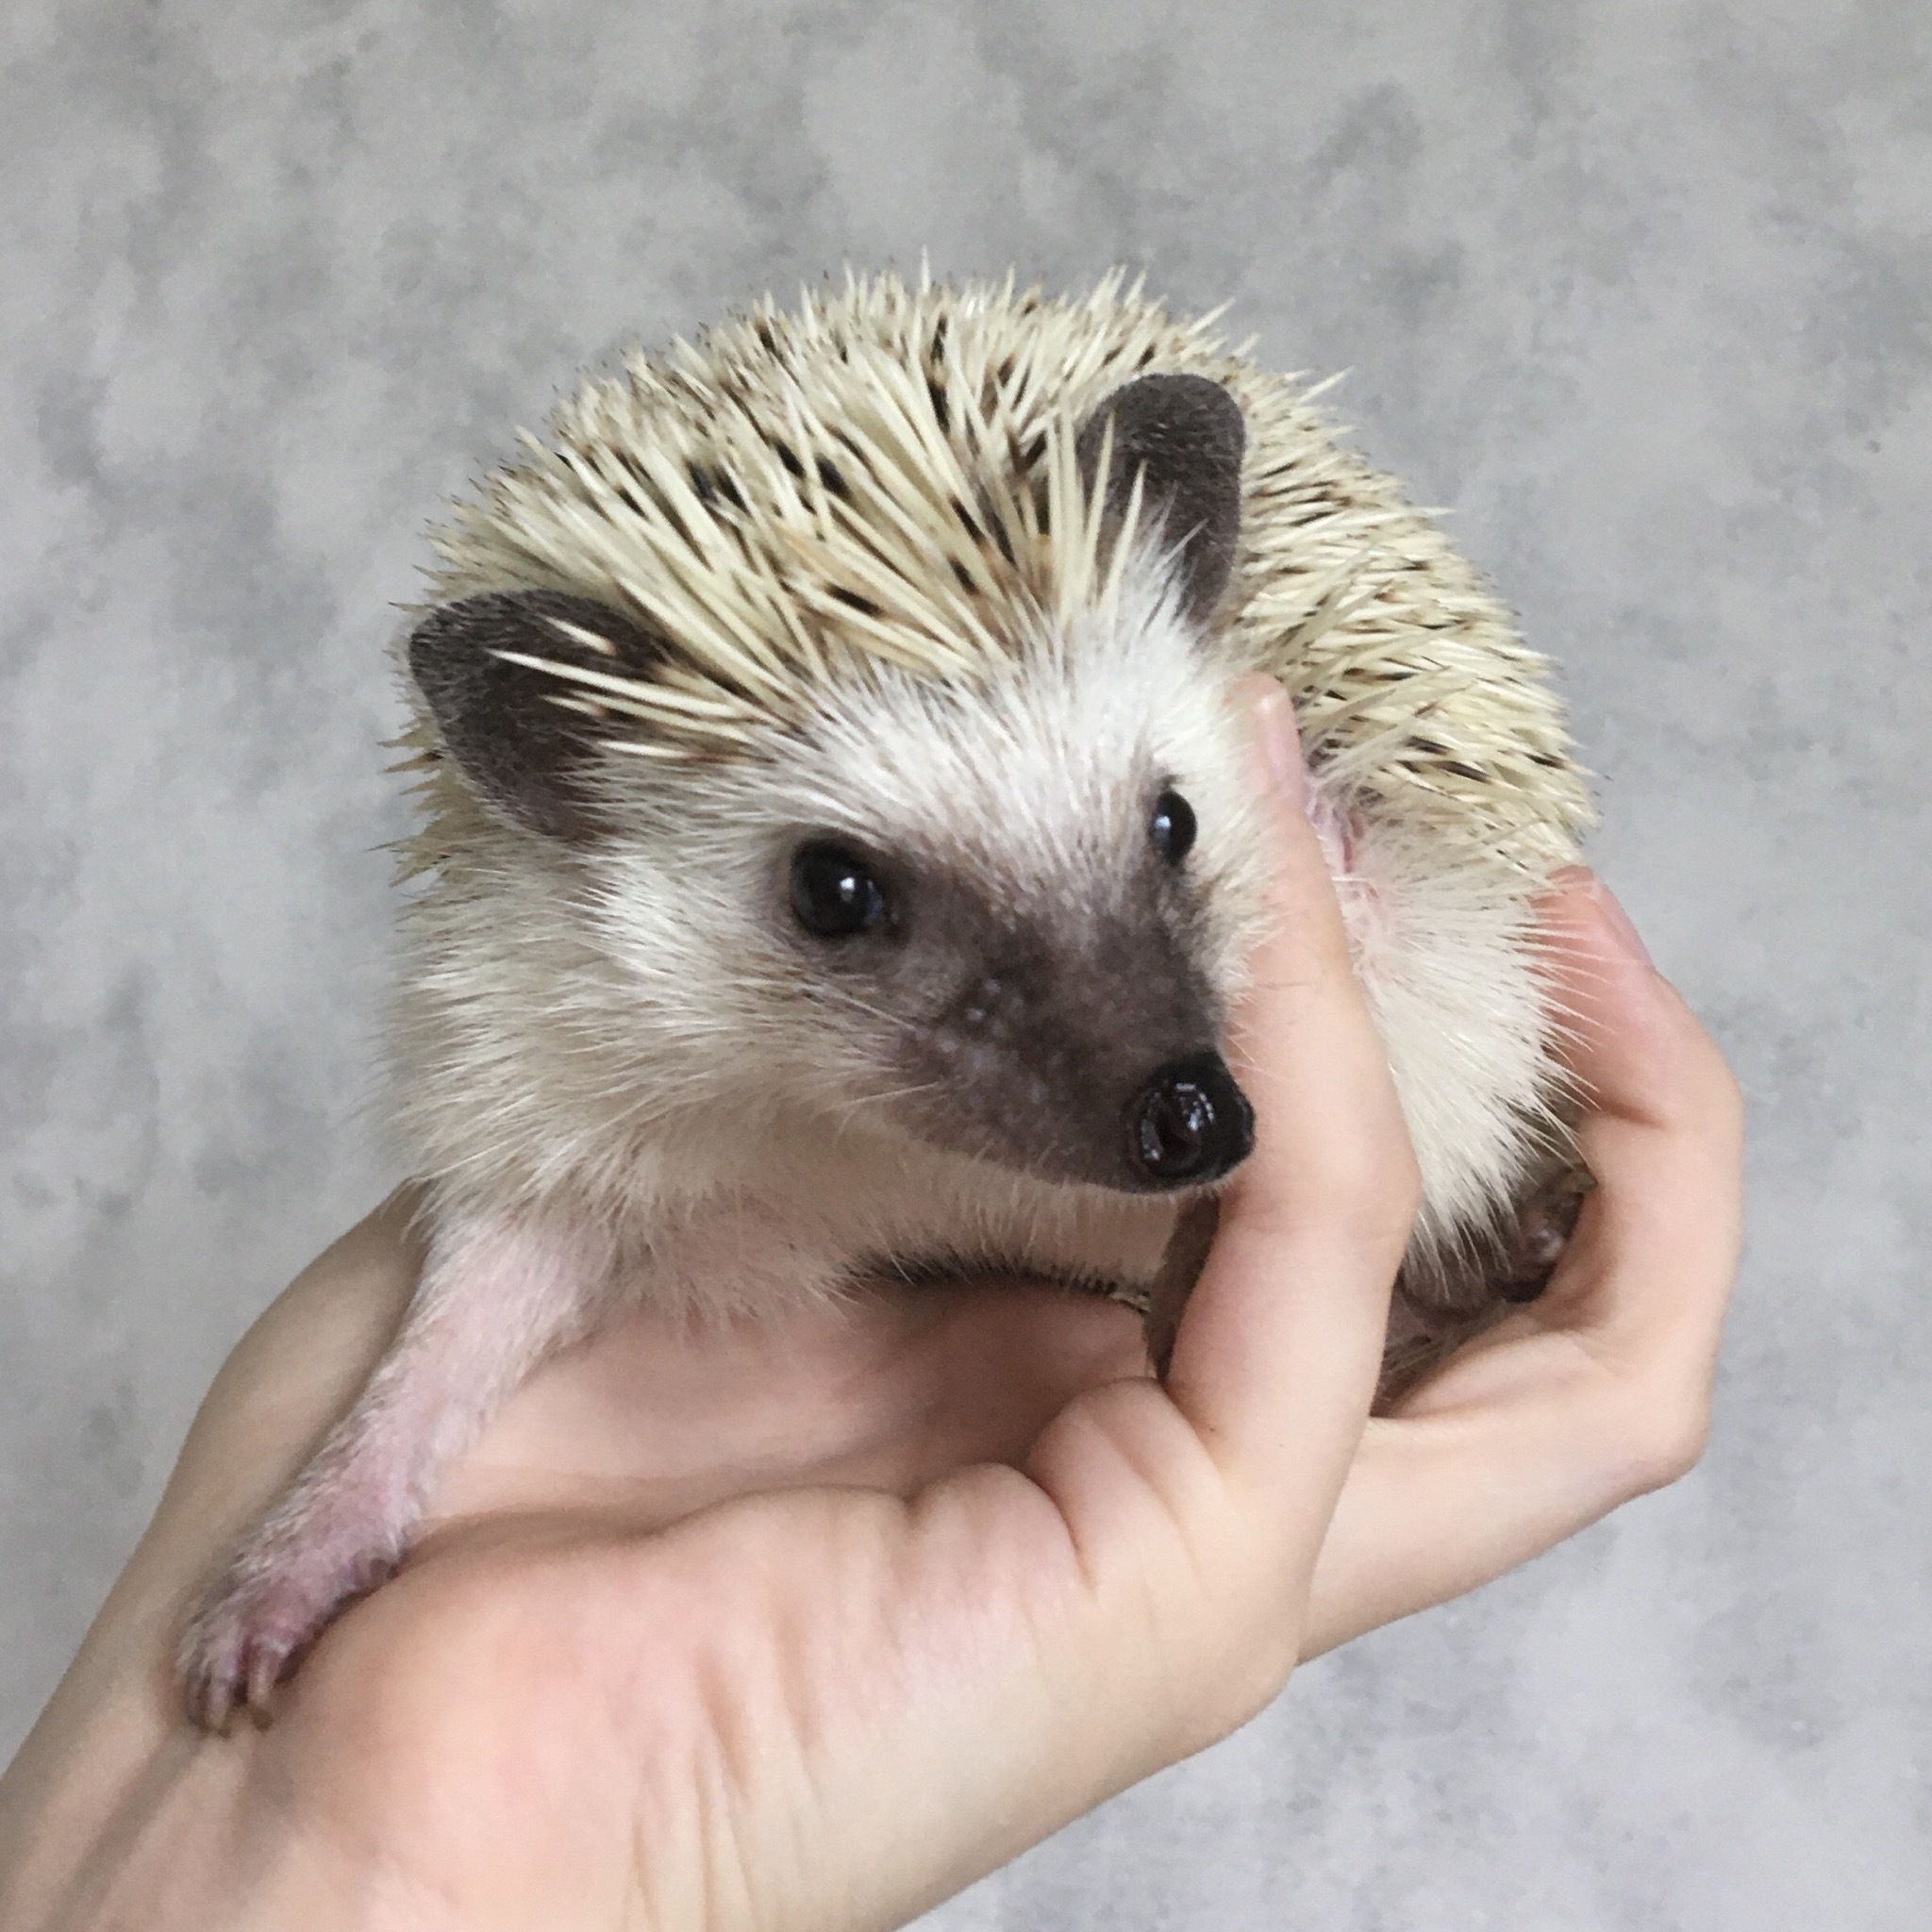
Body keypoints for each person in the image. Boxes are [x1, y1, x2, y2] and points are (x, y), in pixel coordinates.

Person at [0, 683, 1742, 1931]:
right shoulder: (571, 1010)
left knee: (1408, 1046)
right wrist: (346, 1515)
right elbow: (527, 1212)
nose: (1140, 1055)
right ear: (571, 799)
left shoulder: (1262, 808)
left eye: (1158, 829)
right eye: (847, 897)